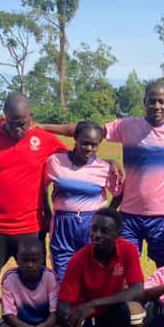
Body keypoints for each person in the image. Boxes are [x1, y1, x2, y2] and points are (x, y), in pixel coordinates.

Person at [47, 82, 164, 266]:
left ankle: (159, 296)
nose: (156, 106)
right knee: (122, 267)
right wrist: (41, 127)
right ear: (144, 102)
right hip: (129, 214)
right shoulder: (127, 125)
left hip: (162, 215)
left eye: (161, 102)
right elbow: (86, 131)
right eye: (152, 101)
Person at [0, 92, 69, 290]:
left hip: (30, 228)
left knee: (35, 286)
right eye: (14, 123)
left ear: (31, 116)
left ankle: (31, 322)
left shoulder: (44, 139)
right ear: (4, 115)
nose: (19, 129)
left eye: (24, 123)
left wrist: (108, 163)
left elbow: (78, 157)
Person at [57, 208, 145, 327]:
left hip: (109, 316)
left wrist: (94, 303)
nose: (96, 235)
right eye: (94, 229)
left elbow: (137, 290)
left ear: (118, 233)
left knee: (133, 312)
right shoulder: (78, 260)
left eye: (104, 231)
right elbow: (63, 309)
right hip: (82, 324)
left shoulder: (128, 250)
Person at [42, 120, 122, 281]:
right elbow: (42, 186)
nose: (89, 149)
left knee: (92, 274)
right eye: (85, 143)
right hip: (63, 224)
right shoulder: (56, 162)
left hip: (92, 224)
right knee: (64, 277)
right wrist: (48, 212)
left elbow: (119, 192)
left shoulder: (104, 169)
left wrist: (109, 214)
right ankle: (66, 305)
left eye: (94, 145)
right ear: (75, 139)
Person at [0, 238, 64, 327]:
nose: (30, 265)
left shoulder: (50, 278)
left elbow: (55, 312)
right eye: (25, 260)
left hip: (45, 324)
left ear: (42, 259)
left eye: (34, 260)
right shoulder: (10, 277)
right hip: (20, 324)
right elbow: (8, 313)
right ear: (18, 259)